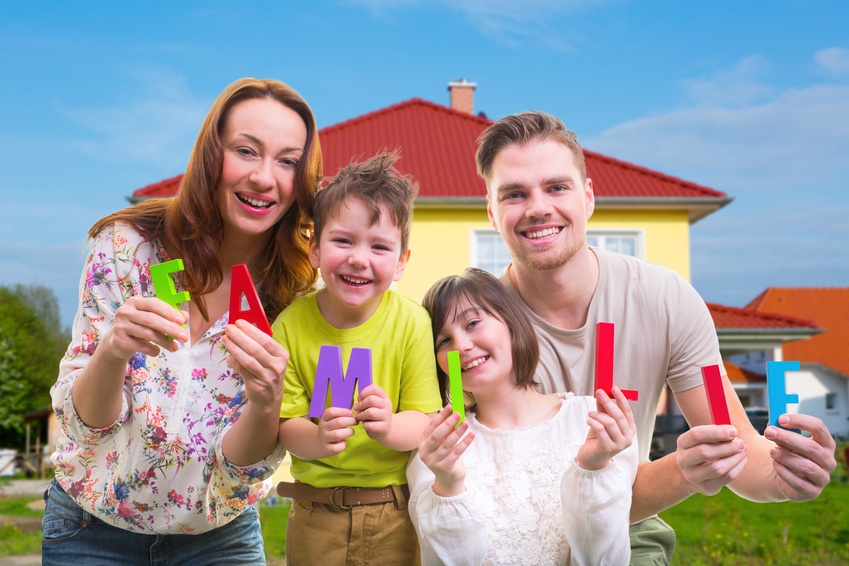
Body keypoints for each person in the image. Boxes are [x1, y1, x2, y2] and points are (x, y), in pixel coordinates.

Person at [475, 111, 837, 564]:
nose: (537, 207)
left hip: (626, 519)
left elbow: (737, 444)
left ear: (587, 198)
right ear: (492, 213)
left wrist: (785, 476)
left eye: (556, 187)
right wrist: (679, 473)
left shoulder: (667, 299)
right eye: (514, 194)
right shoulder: (468, 328)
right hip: (508, 529)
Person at [43, 77, 322, 565]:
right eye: (246, 150)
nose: (263, 177)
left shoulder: (299, 294)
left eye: (287, 161)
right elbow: (83, 424)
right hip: (91, 528)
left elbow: (245, 468)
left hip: (220, 538)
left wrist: (267, 401)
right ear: (212, 155)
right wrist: (112, 350)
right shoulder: (127, 248)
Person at [273, 151, 443, 565]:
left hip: (396, 513)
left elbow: (424, 420)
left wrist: (389, 427)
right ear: (314, 250)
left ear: (401, 262)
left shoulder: (412, 323)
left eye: (379, 246)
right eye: (343, 240)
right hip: (314, 514)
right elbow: (282, 424)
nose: (358, 258)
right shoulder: (290, 325)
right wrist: (315, 438)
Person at [407, 268, 638, 565]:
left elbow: (605, 558)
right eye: (443, 341)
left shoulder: (595, 421)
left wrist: (593, 467)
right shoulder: (436, 448)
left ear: (512, 323)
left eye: (473, 323)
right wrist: (448, 483)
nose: (461, 346)